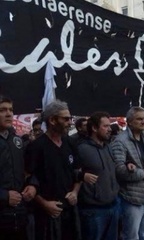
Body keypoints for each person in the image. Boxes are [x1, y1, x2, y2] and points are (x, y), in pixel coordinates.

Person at [27, 100, 82, 240]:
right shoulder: (36, 147)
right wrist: (44, 204)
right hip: (47, 216)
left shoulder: (70, 143)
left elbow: (78, 172)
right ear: (52, 120)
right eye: (66, 119)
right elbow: (28, 180)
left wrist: (75, 192)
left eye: (70, 118)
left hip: (70, 211)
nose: (70, 122)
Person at [111, 106, 144, 240]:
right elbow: (119, 170)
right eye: (139, 119)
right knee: (131, 235)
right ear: (129, 121)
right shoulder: (120, 141)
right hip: (132, 196)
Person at [77, 112, 120, 240]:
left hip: (113, 206)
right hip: (93, 210)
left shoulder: (108, 148)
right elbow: (70, 171)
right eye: (105, 126)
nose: (109, 129)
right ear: (94, 128)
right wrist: (81, 175)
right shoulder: (82, 149)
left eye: (109, 126)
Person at [0, 96, 37, 240]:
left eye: (11, 109)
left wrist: (33, 185)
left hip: (19, 218)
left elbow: (29, 171)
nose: (9, 114)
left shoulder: (18, 141)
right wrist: (4, 196)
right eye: (2, 110)